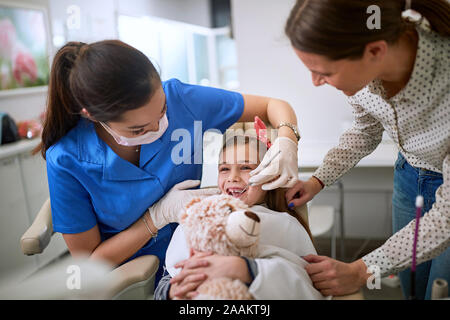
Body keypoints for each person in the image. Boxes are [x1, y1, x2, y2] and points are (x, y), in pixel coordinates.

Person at [35, 40, 301, 285]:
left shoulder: (181, 99)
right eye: (138, 130)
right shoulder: (67, 159)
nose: (158, 129)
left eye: (162, 111)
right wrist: (156, 218)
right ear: (91, 115)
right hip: (133, 278)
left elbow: (273, 106)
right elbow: (89, 263)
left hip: (207, 251)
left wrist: (287, 139)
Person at [283, 0, 449, 299]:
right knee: (411, 281)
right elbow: (365, 130)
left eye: (324, 72)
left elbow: (445, 220)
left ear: (375, 51)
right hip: (409, 174)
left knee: (441, 287)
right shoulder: (364, 76)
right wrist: (317, 181)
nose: (316, 82)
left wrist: (361, 271)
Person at [154, 133, 324, 300]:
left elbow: (306, 285)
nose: (232, 178)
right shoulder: (199, 220)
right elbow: (167, 279)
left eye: (245, 168)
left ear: (270, 177)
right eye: (224, 169)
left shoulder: (285, 224)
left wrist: (246, 269)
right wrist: (172, 291)